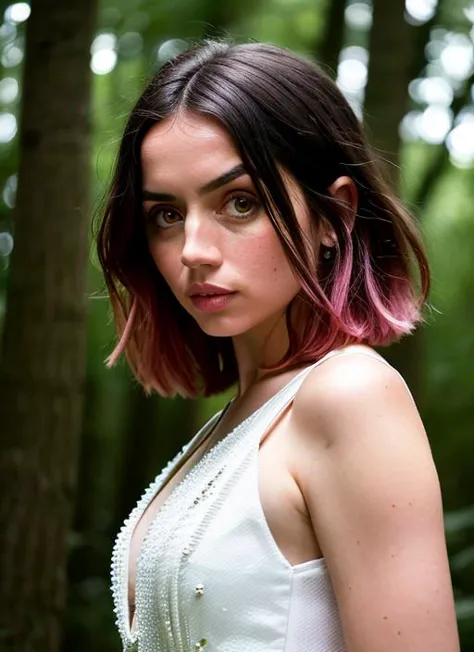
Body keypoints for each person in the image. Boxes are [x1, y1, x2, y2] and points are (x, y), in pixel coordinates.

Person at [99, 40, 459, 652]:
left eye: (239, 203)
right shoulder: (231, 425)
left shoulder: (349, 395)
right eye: (166, 214)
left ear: (334, 216)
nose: (192, 250)